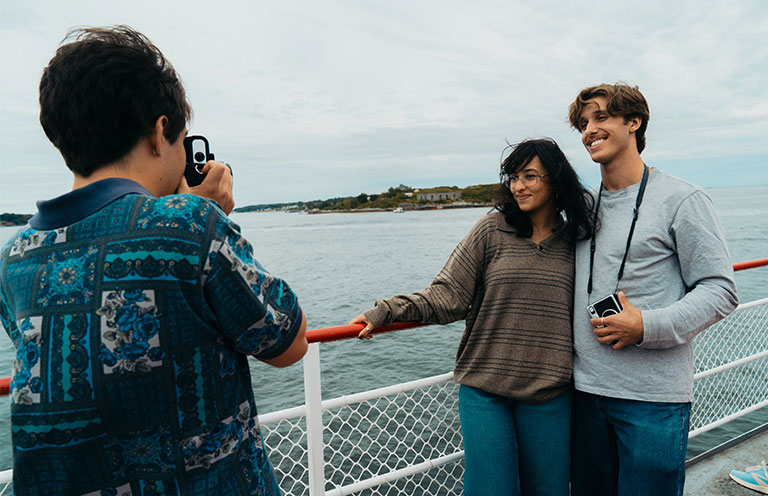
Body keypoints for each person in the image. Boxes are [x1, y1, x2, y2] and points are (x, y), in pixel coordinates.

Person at [0, 26, 307, 495]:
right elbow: (289, 343)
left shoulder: (14, 257)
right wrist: (208, 213)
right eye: (184, 139)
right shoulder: (189, 226)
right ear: (161, 132)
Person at [350, 138, 594, 496]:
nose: (518, 186)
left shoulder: (578, 241)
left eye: (529, 176)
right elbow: (449, 295)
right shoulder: (492, 229)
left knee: (551, 490)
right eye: (512, 177)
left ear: (556, 180)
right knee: (492, 490)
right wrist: (387, 310)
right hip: (486, 390)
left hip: (549, 392)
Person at [567, 83, 738, 496]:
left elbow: (720, 288)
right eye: (584, 123)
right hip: (583, 394)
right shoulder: (582, 207)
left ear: (634, 122)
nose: (589, 130)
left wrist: (646, 325)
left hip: (652, 401)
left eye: (601, 117)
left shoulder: (682, 198)